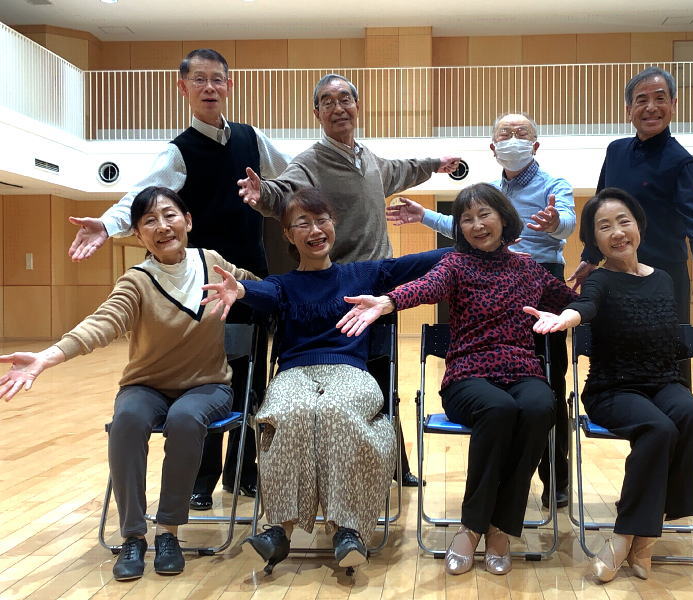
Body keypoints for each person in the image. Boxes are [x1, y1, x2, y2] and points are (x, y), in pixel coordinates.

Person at [67, 48, 290, 510]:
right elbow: (141, 198)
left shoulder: (252, 138)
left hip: (250, 281)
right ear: (183, 87)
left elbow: (293, 176)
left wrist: (276, 194)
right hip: (200, 285)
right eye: (200, 80)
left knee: (251, 381)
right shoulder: (178, 150)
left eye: (217, 79)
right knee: (205, 382)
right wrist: (106, 226)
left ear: (229, 86)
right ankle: (201, 479)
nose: (210, 87)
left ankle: (245, 473)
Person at [0, 187, 259, 581]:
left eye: (169, 215)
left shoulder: (212, 262)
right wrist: (47, 357)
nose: (162, 226)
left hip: (207, 386)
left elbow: (256, 286)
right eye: (149, 221)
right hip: (146, 386)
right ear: (138, 235)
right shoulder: (137, 280)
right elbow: (102, 322)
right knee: (127, 421)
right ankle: (134, 536)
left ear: (187, 221)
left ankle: (168, 531)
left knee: (186, 420)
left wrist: (251, 290)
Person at [202, 188, 451, 572]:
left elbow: (425, 261)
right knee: (290, 412)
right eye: (303, 223)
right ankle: (278, 531)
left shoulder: (364, 274)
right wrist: (242, 289)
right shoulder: (283, 285)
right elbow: (263, 292)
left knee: (336, 411)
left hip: (350, 372)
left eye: (321, 220)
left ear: (333, 224)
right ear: (288, 234)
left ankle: (347, 530)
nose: (315, 230)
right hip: (294, 374)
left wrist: (481, 245)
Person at [337, 183, 577, 576]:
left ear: (503, 218)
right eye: (467, 219)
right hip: (468, 374)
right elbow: (425, 287)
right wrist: (388, 301)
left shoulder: (528, 269)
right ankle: (473, 526)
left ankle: (501, 528)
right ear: (459, 228)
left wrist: (580, 304)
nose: (477, 225)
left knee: (539, 406)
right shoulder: (456, 265)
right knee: (498, 409)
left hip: (522, 370)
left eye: (485, 215)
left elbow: (571, 301)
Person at [237, 72, 461, 486]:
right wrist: (262, 194)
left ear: (357, 106)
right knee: (358, 379)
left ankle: (395, 465)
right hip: (343, 290)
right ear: (316, 113)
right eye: (327, 101)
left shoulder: (368, 158)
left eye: (345, 99)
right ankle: (349, 470)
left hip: (383, 287)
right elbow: (283, 192)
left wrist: (435, 165)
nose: (338, 107)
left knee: (386, 379)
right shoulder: (310, 161)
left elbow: (402, 169)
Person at [385, 112, 575, 508]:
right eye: (505, 133)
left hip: (538, 283)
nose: (512, 138)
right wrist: (423, 217)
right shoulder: (488, 195)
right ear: (493, 146)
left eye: (521, 133)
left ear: (535, 144)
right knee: (501, 405)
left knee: (548, 391)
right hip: (485, 281)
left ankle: (554, 477)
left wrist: (555, 222)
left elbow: (567, 221)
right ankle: (501, 497)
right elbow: (468, 227)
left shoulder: (553, 184)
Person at [527, 187, 693, 583]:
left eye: (623, 221)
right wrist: (566, 318)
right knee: (658, 430)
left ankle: (644, 532)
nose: (617, 232)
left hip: (662, 383)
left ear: (638, 226)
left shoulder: (663, 279)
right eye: (604, 226)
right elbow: (585, 305)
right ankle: (630, 536)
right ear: (594, 240)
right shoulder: (600, 280)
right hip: (613, 388)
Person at [568, 67, 693, 384]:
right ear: (629, 109)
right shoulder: (616, 151)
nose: (651, 107)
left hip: (665, 274)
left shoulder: (681, 160)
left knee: (671, 352)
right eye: (642, 100)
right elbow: (600, 209)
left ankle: (678, 409)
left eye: (660, 98)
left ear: (674, 104)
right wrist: (590, 257)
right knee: (615, 349)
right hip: (617, 271)